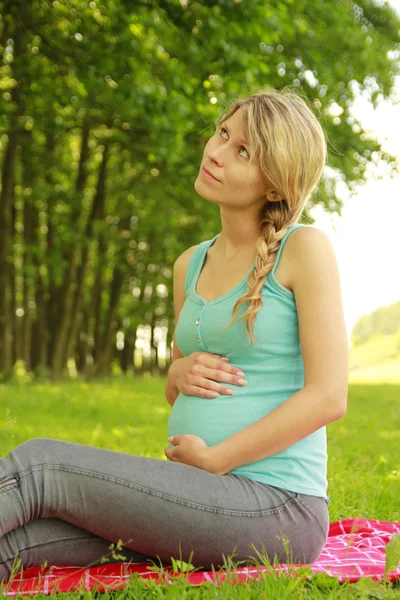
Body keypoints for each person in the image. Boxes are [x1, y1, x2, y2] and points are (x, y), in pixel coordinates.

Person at [0, 87, 348, 581]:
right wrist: (178, 371)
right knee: (22, 541)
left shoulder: (304, 249)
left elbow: (329, 396)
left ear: (275, 185)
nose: (216, 151)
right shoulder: (190, 264)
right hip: (196, 495)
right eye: (223, 133)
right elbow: (174, 389)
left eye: (243, 151)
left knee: (40, 468)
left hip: (278, 506)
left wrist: (216, 459)